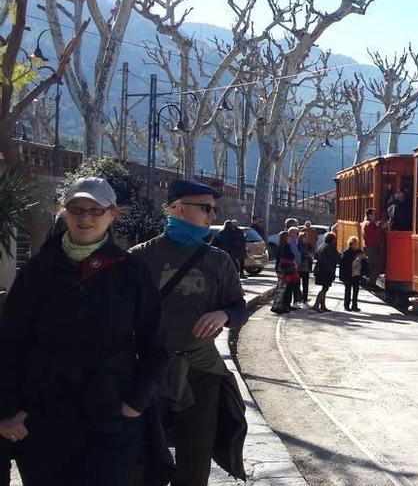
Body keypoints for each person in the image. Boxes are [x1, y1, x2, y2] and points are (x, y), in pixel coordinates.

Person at [0, 177, 167, 485]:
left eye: (95, 209)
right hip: (44, 420)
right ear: (64, 212)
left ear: (112, 214)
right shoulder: (38, 271)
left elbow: (154, 343)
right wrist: (10, 410)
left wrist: (135, 403)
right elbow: (10, 343)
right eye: (76, 209)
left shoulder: (131, 271)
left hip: (110, 416)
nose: (85, 217)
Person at [130, 179, 249, 486]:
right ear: (178, 209)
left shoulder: (219, 261)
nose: (213, 216)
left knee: (195, 463)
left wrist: (224, 313)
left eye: (214, 209)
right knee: (144, 462)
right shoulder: (139, 258)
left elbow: (239, 308)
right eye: (206, 209)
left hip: (201, 373)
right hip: (149, 373)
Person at [312, 232, 340, 313]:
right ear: (333, 239)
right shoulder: (331, 247)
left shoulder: (322, 245)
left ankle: (323, 306)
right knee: (325, 288)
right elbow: (337, 259)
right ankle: (316, 305)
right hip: (327, 270)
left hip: (321, 269)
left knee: (324, 288)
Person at [361, 208, 386, 288]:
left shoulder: (365, 223)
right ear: (369, 215)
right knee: (378, 265)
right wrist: (382, 226)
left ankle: (371, 282)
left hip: (367, 246)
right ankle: (370, 283)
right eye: (374, 214)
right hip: (372, 247)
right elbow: (375, 234)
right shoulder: (370, 224)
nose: (375, 216)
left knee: (372, 265)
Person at [339, 236, 366, 312]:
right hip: (348, 274)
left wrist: (363, 257)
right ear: (351, 244)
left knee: (356, 290)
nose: (356, 245)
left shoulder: (359, 252)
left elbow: (364, 260)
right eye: (355, 244)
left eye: (357, 244)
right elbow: (343, 264)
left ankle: (354, 305)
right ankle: (346, 305)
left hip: (356, 274)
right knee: (348, 290)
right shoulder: (346, 252)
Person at [297, 232, 314, 306]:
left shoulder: (309, 246)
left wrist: (310, 255)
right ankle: (297, 299)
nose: (307, 239)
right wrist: (308, 255)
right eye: (305, 237)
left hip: (306, 267)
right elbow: (302, 254)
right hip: (298, 267)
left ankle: (305, 300)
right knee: (297, 284)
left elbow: (311, 254)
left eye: (307, 237)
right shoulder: (298, 245)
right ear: (301, 238)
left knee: (305, 285)